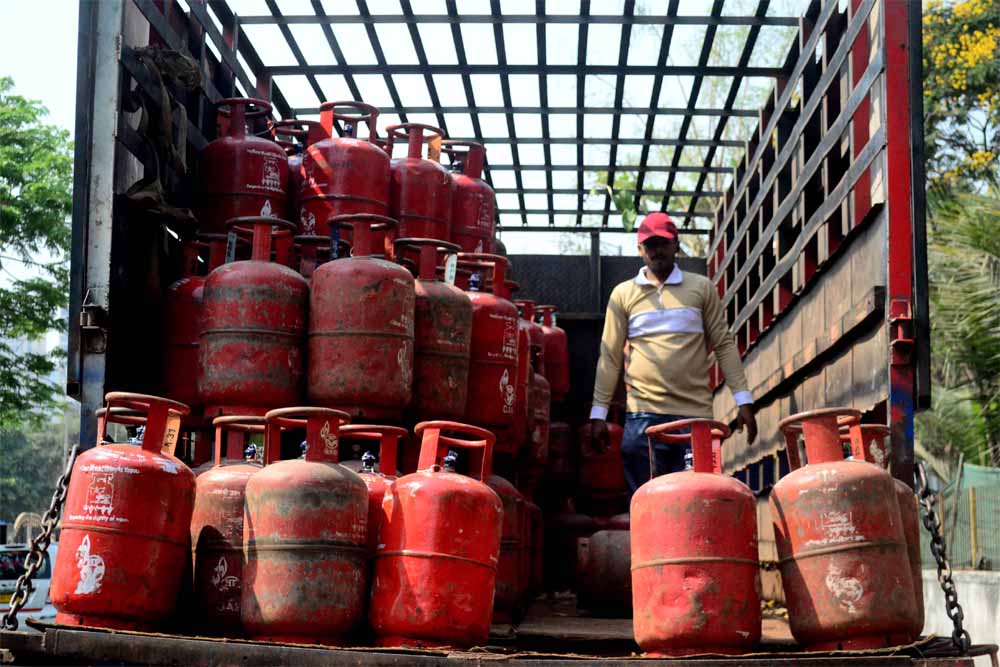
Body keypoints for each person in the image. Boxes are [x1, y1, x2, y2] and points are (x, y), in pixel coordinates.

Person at [590, 212, 757, 495]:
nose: (657, 251)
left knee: (698, 498)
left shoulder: (701, 289)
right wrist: (598, 414)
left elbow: (724, 344)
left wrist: (743, 400)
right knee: (647, 500)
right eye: (650, 245)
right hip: (643, 416)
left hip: (695, 417)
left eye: (663, 243)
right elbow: (610, 356)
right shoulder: (623, 295)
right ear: (640, 249)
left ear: (676, 245)